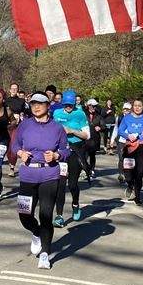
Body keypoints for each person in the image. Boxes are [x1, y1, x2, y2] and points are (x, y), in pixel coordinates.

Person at [9, 93, 70, 270]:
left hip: (49, 174)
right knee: (24, 214)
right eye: (33, 104)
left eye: (40, 104)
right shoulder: (24, 125)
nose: (36, 107)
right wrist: (20, 153)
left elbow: (66, 150)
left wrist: (57, 155)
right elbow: (15, 145)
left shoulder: (57, 128)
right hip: (28, 175)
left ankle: (45, 254)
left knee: (46, 215)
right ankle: (35, 232)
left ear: (48, 106)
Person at [52, 89, 90, 225]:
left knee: (72, 184)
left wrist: (72, 131)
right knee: (60, 185)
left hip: (76, 151)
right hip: (61, 152)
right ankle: (59, 216)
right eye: (66, 104)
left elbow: (87, 135)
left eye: (70, 104)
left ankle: (75, 204)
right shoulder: (56, 113)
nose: (68, 107)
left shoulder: (80, 114)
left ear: (74, 104)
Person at [115, 99, 143, 204]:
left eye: (139, 106)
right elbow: (120, 131)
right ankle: (130, 184)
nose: (137, 107)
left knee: (139, 173)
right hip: (130, 147)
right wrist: (127, 135)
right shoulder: (127, 118)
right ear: (132, 107)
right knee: (128, 174)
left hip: (142, 147)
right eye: (135, 105)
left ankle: (138, 196)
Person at [84, 98, 106, 181]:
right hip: (85, 138)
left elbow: (104, 126)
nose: (94, 108)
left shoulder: (99, 115)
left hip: (94, 139)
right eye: (92, 106)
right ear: (89, 106)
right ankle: (86, 170)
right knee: (84, 155)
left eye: (95, 106)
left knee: (92, 155)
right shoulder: (83, 114)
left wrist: (100, 127)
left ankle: (92, 170)